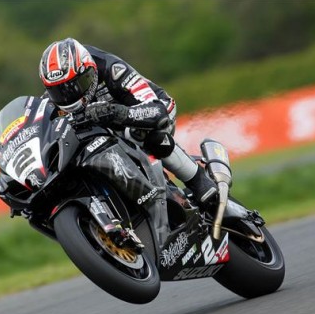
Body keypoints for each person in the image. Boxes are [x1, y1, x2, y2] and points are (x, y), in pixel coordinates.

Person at [38, 37, 217, 207]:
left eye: (76, 84)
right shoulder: (49, 102)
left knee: (135, 133)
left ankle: (197, 180)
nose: (70, 95)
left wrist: (116, 112)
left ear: (89, 70)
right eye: (59, 91)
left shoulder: (111, 68)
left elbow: (158, 111)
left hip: (150, 111)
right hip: (106, 129)